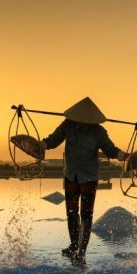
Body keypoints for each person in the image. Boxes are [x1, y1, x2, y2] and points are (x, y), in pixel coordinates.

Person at [41, 97, 128, 262]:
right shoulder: (67, 125)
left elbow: (110, 150)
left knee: (86, 215)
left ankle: (81, 251)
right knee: (71, 213)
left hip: (88, 178)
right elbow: (53, 140)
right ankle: (74, 245)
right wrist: (41, 145)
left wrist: (123, 155)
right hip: (71, 176)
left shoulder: (99, 132)